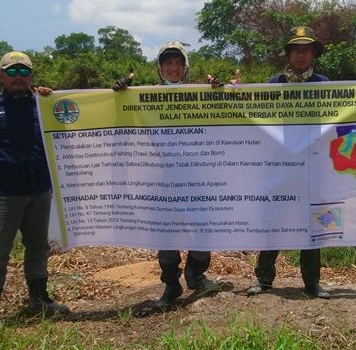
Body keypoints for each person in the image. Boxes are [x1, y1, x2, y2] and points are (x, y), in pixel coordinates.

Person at [0, 50, 69, 330]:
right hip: (5, 192)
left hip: (40, 189)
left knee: (38, 247)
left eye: (24, 72)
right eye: (11, 72)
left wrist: (53, 98)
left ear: (32, 76)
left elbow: (71, 121)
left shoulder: (43, 106)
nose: (18, 77)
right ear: (1, 76)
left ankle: (39, 301)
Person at [114, 41, 224, 310]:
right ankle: (171, 284)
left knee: (205, 226)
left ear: (185, 67)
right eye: (168, 63)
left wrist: (223, 92)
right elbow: (121, 120)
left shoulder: (201, 95)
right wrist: (119, 94)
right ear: (159, 67)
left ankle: (196, 275)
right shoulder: (143, 97)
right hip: (161, 177)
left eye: (179, 63)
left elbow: (225, 120)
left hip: (197, 175)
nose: (173, 68)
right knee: (166, 232)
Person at [238, 26, 332, 299]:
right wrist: (235, 94)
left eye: (306, 49)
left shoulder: (326, 85)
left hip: (313, 167)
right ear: (288, 54)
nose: (301, 54)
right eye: (295, 49)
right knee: (273, 222)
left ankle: (312, 282)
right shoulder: (273, 83)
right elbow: (255, 117)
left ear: (313, 52)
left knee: (312, 224)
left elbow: (352, 109)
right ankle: (264, 280)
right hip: (278, 167)